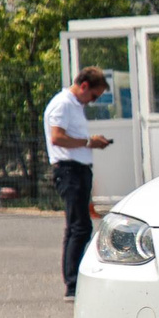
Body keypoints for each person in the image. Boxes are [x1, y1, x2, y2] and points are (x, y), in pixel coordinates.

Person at [45, 66, 113, 298]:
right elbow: (57, 137)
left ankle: (75, 279)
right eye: (93, 96)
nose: (92, 101)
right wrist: (88, 142)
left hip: (78, 170)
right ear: (84, 86)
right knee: (78, 227)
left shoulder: (75, 105)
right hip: (69, 170)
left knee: (80, 226)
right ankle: (72, 283)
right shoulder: (63, 103)